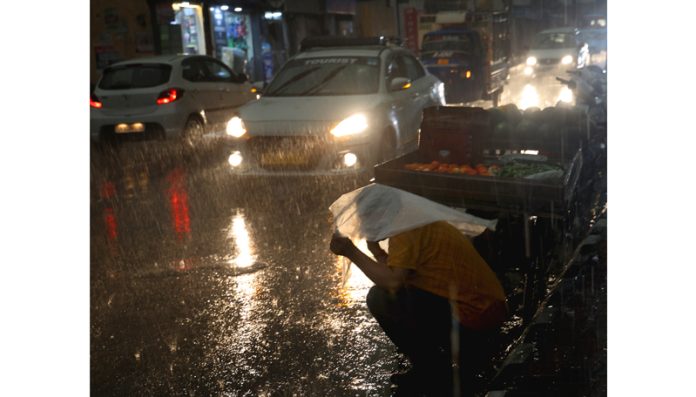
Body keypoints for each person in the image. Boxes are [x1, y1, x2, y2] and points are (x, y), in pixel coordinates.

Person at [329, 190, 508, 396]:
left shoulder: (406, 230)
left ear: (379, 213)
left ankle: (432, 369)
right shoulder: (409, 221)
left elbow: (393, 283)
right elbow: (400, 274)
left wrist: (351, 252)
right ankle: (437, 362)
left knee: (379, 299)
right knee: (399, 295)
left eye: (364, 217)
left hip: (476, 317)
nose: (362, 224)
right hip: (487, 309)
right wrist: (377, 251)